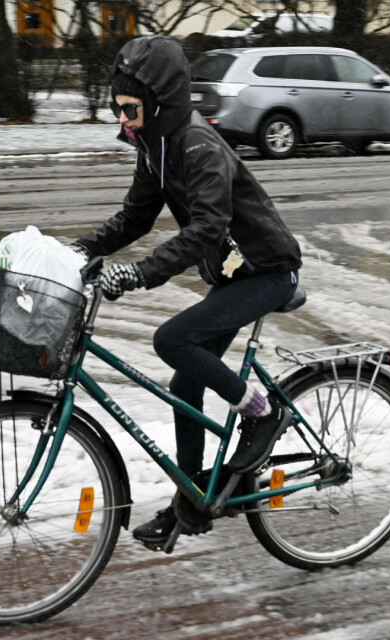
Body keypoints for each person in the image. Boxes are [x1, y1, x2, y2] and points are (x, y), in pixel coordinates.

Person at [68, 36, 303, 547]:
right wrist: (80, 250)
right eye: (119, 109)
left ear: (160, 102)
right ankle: (192, 500)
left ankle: (263, 414)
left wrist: (139, 273)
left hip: (266, 271)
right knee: (184, 384)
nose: (124, 119)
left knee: (172, 340)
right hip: (234, 276)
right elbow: (136, 216)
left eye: (131, 109)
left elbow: (205, 229)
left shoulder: (197, 145)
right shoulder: (156, 146)